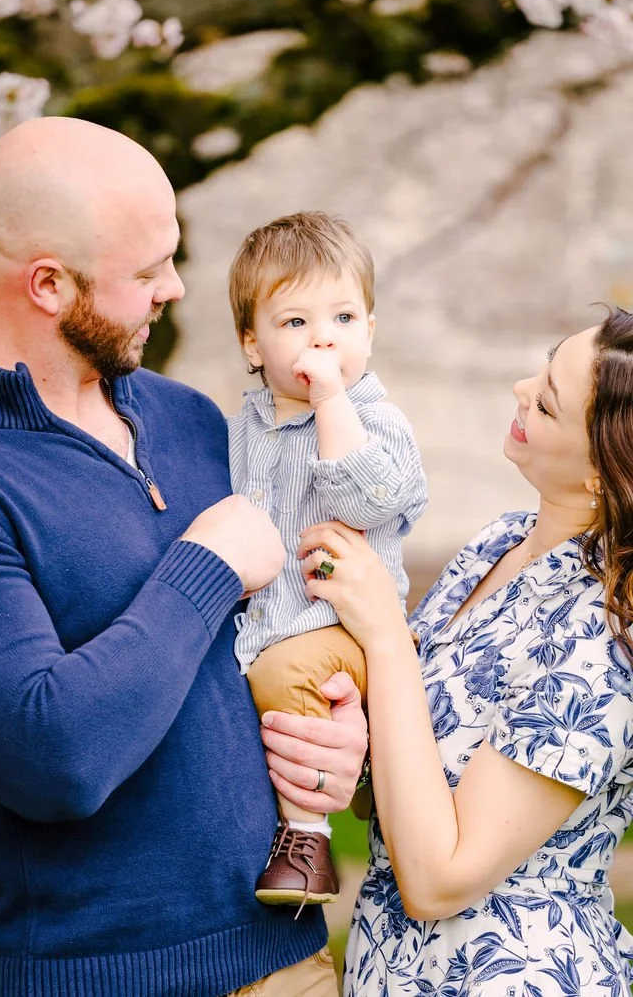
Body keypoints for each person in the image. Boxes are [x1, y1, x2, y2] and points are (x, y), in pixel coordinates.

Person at [0, 117, 368, 997]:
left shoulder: (190, 420)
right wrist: (204, 570)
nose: (175, 288)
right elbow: (55, 759)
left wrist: (338, 734)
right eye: (148, 270)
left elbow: (259, 652)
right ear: (47, 284)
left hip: (287, 966)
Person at [273, 310, 633, 995]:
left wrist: (388, 638)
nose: (520, 388)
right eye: (543, 369)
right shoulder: (498, 545)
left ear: (610, 473)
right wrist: (349, 741)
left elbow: (438, 880)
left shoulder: (614, 641)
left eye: (547, 402)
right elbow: (407, 788)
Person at [226, 212, 427, 910]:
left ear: (369, 331)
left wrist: (332, 398)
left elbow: (371, 498)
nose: (322, 337)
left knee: (287, 677)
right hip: (270, 621)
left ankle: (308, 844)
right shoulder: (247, 427)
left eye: (343, 316)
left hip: (338, 624)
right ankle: (367, 766)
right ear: (252, 344)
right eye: (294, 323)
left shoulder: (374, 418)